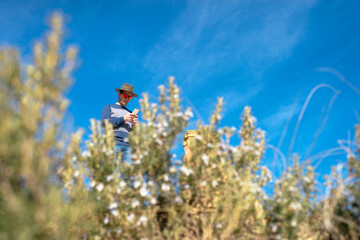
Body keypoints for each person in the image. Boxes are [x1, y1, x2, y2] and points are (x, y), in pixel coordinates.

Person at [101, 83, 139, 164]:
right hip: (113, 145)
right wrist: (123, 119)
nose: (127, 99)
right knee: (111, 174)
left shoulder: (130, 112)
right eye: (125, 96)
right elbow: (104, 123)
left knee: (127, 176)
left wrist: (135, 126)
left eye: (129, 97)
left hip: (129, 148)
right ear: (119, 94)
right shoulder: (109, 107)